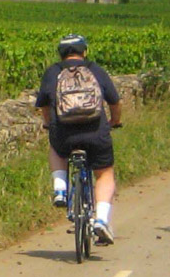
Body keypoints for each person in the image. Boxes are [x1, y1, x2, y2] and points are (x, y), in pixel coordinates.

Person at [34, 33, 122, 243]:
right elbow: (114, 102)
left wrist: (48, 123)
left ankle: (60, 188)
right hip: (95, 132)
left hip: (63, 133)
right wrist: (114, 122)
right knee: (104, 174)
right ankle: (100, 220)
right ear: (84, 52)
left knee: (56, 149)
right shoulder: (95, 70)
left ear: (61, 53)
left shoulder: (52, 72)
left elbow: (44, 104)